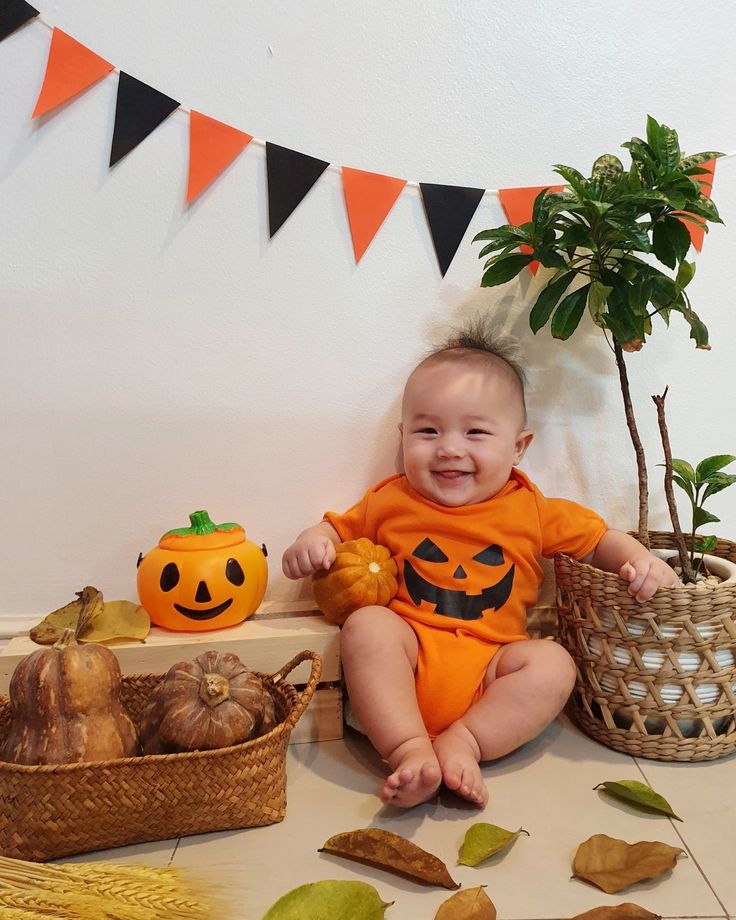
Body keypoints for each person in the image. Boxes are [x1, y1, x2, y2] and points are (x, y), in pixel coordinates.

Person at [282, 320, 678, 809]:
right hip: (410, 654)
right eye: (428, 430)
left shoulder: (532, 510)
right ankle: (408, 749)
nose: (450, 448)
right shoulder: (390, 500)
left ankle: (465, 742)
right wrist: (313, 540)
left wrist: (639, 559)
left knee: (553, 665)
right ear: (404, 436)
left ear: (518, 447)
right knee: (367, 626)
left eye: (475, 432)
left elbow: (597, 540)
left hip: (492, 668)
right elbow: (339, 528)